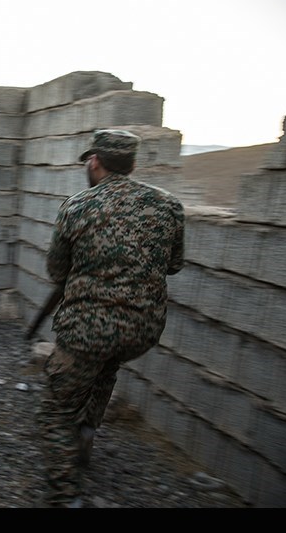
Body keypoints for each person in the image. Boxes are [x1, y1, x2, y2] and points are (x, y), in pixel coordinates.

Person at [35, 129, 185, 508]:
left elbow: (57, 271)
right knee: (105, 369)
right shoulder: (168, 205)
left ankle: (63, 495)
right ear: (133, 164)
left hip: (88, 329)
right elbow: (174, 265)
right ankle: (86, 432)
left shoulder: (77, 206)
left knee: (56, 410)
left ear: (95, 161)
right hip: (142, 329)